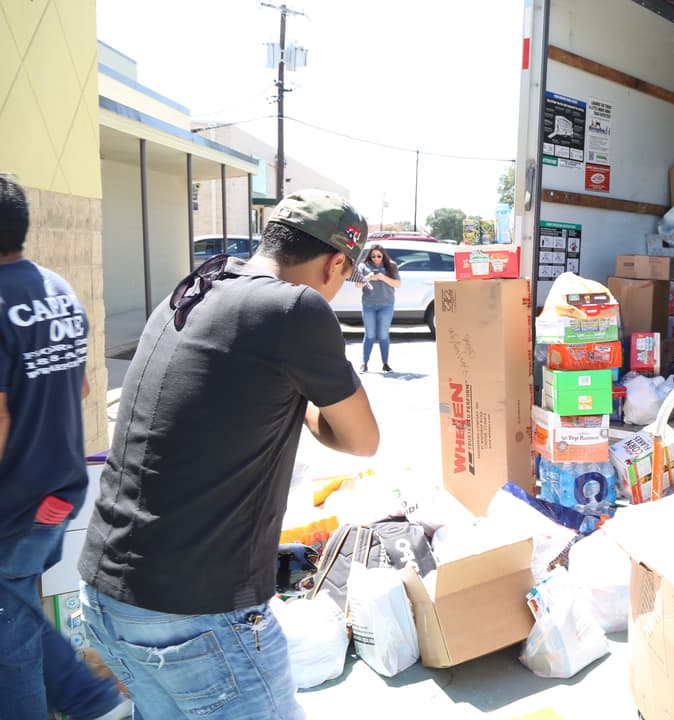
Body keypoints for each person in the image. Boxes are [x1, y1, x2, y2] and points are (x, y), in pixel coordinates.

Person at [78, 189, 380, 718]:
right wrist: (307, 390)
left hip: (108, 594)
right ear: (337, 262)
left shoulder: (198, 286)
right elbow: (362, 439)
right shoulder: (296, 308)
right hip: (194, 615)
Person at [0, 175, 131, 720]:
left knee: (11, 638)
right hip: (60, 488)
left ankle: (88, 699)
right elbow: (78, 385)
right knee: (16, 609)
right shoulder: (58, 289)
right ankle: (92, 701)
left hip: (14, 503)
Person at [353, 243, 401, 373]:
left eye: (379, 256)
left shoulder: (391, 266)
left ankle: (385, 364)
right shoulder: (363, 266)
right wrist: (368, 278)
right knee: (369, 335)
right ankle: (364, 363)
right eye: (373, 256)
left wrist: (382, 277)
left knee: (383, 335)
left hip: (386, 305)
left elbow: (397, 284)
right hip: (368, 305)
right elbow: (357, 285)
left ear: (383, 255)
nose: (376, 258)